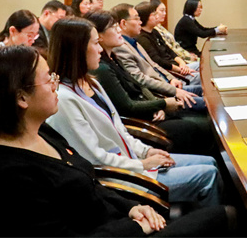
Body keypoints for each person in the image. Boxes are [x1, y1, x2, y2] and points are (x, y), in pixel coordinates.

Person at [0, 45, 231, 237]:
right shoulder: (7, 176)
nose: (55, 85)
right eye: (48, 79)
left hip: (121, 222)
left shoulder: (42, 132)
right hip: (121, 233)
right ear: (21, 98)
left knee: (224, 212)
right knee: (226, 216)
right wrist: (134, 227)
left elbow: (92, 183)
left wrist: (132, 208)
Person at [45, 17, 222, 206]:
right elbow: (94, 158)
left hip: (133, 162)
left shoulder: (92, 83)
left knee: (211, 162)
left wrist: (147, 151)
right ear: (77, 50)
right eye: (95, 43)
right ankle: (215, 218)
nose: (100, 49)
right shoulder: (65, 100)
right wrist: (142, 164)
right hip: (123, 179)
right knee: (208, 175)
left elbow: (120, 130)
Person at [84, 11, 209, 152]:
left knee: (204, 114)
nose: (119, 30)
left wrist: (157, 104)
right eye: (113, 27)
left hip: (151, 107)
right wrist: (162, 104)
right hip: (142, 121)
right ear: (99, 36)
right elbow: (127, 107)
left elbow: (140, 85)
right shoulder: (102, 69)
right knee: (199, 125)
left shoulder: (113, 58)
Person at [112, 4, 204, 100]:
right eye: (136, 19)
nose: (140, 22)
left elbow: (154, 64)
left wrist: (171, 79)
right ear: (123, 23)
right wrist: (172, 88)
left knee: (207, 90)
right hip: (161, 94)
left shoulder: (135, 41)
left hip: (168, 83)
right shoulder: (123, 47)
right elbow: (140, 78)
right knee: (206, 95)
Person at [137, 2, 198, 81]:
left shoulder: (154, 31)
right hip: (171, 73)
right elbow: (158, 61)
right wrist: (180, 69)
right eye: (154, 15)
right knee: (202, 75)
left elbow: (169, 50)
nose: (157, 17)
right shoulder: (142, 38)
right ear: (145, 17)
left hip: (178, 66)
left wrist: (182, 63)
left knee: (202, 66)